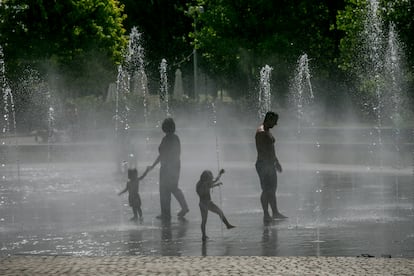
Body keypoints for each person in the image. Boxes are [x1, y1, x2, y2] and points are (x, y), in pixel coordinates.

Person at [148, 118, 189, 221]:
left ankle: (180, 209)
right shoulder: (169, 138)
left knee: (170, 188)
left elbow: (170, 154)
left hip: (170, 167)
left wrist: (168, 166)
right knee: (167, 189)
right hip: (169, 167)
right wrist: (153, 166)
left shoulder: (171, 139)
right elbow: (162, 155)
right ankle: (166, 212)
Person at [255, 111, 287, 223]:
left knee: (272, 190)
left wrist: (275, 162)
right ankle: (266, 214)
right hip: (264, 164)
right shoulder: (261, 132)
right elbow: (265, 151)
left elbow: (271, 150)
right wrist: (272, 163)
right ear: (269, 119)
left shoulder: (267, 131)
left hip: (269, 164)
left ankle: (275, 212)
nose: (276, 124)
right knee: (266, 190)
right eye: (275, 121)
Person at [196, 169, 235, 242]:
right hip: (205, 204)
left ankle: (204, 235)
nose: (210, 179)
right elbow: (204, 190)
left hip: (204, 203)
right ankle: (204, 235)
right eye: (209, 178)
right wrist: (219, 176)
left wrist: (219, 175)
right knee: (212, 216)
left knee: (210, 217)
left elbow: (213, 182)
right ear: (205, 177)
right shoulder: (202, 184)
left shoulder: (202, 183)